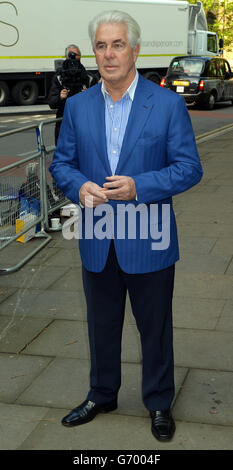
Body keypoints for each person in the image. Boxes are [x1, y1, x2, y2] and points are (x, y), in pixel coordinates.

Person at [49, 10, 203, 442]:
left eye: (118, 44)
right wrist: (79, 187)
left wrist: (140, 186)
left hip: (149, 238)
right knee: (101, 324)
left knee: (154, 327)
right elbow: (62, 164)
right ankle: (102, 393)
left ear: (135, 50)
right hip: (97, 237)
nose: (109, 53)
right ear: (93, 52)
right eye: (101, 45)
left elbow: (189, 169)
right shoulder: (76, 106)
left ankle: (158, 403)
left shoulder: (168, 104)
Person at [48, 44, 89, 144]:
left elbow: (99, 103)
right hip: (63, 124)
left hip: (83, 124)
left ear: (80, 56)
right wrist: (60, 97)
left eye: (76, 55)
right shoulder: (59, 78)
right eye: (71, 55)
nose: (74, 58)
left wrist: (88, 95)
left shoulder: (88, 77)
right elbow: (52, 103)